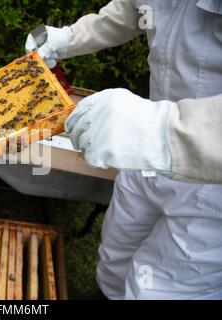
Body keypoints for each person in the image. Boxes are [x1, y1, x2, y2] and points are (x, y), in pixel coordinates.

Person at [26, 0, 222, 299]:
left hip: (212, 189)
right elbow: (133, 10)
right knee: (115, 257)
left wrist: (160, 130)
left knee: (157, 291)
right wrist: (69, 38)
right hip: (144, 155)